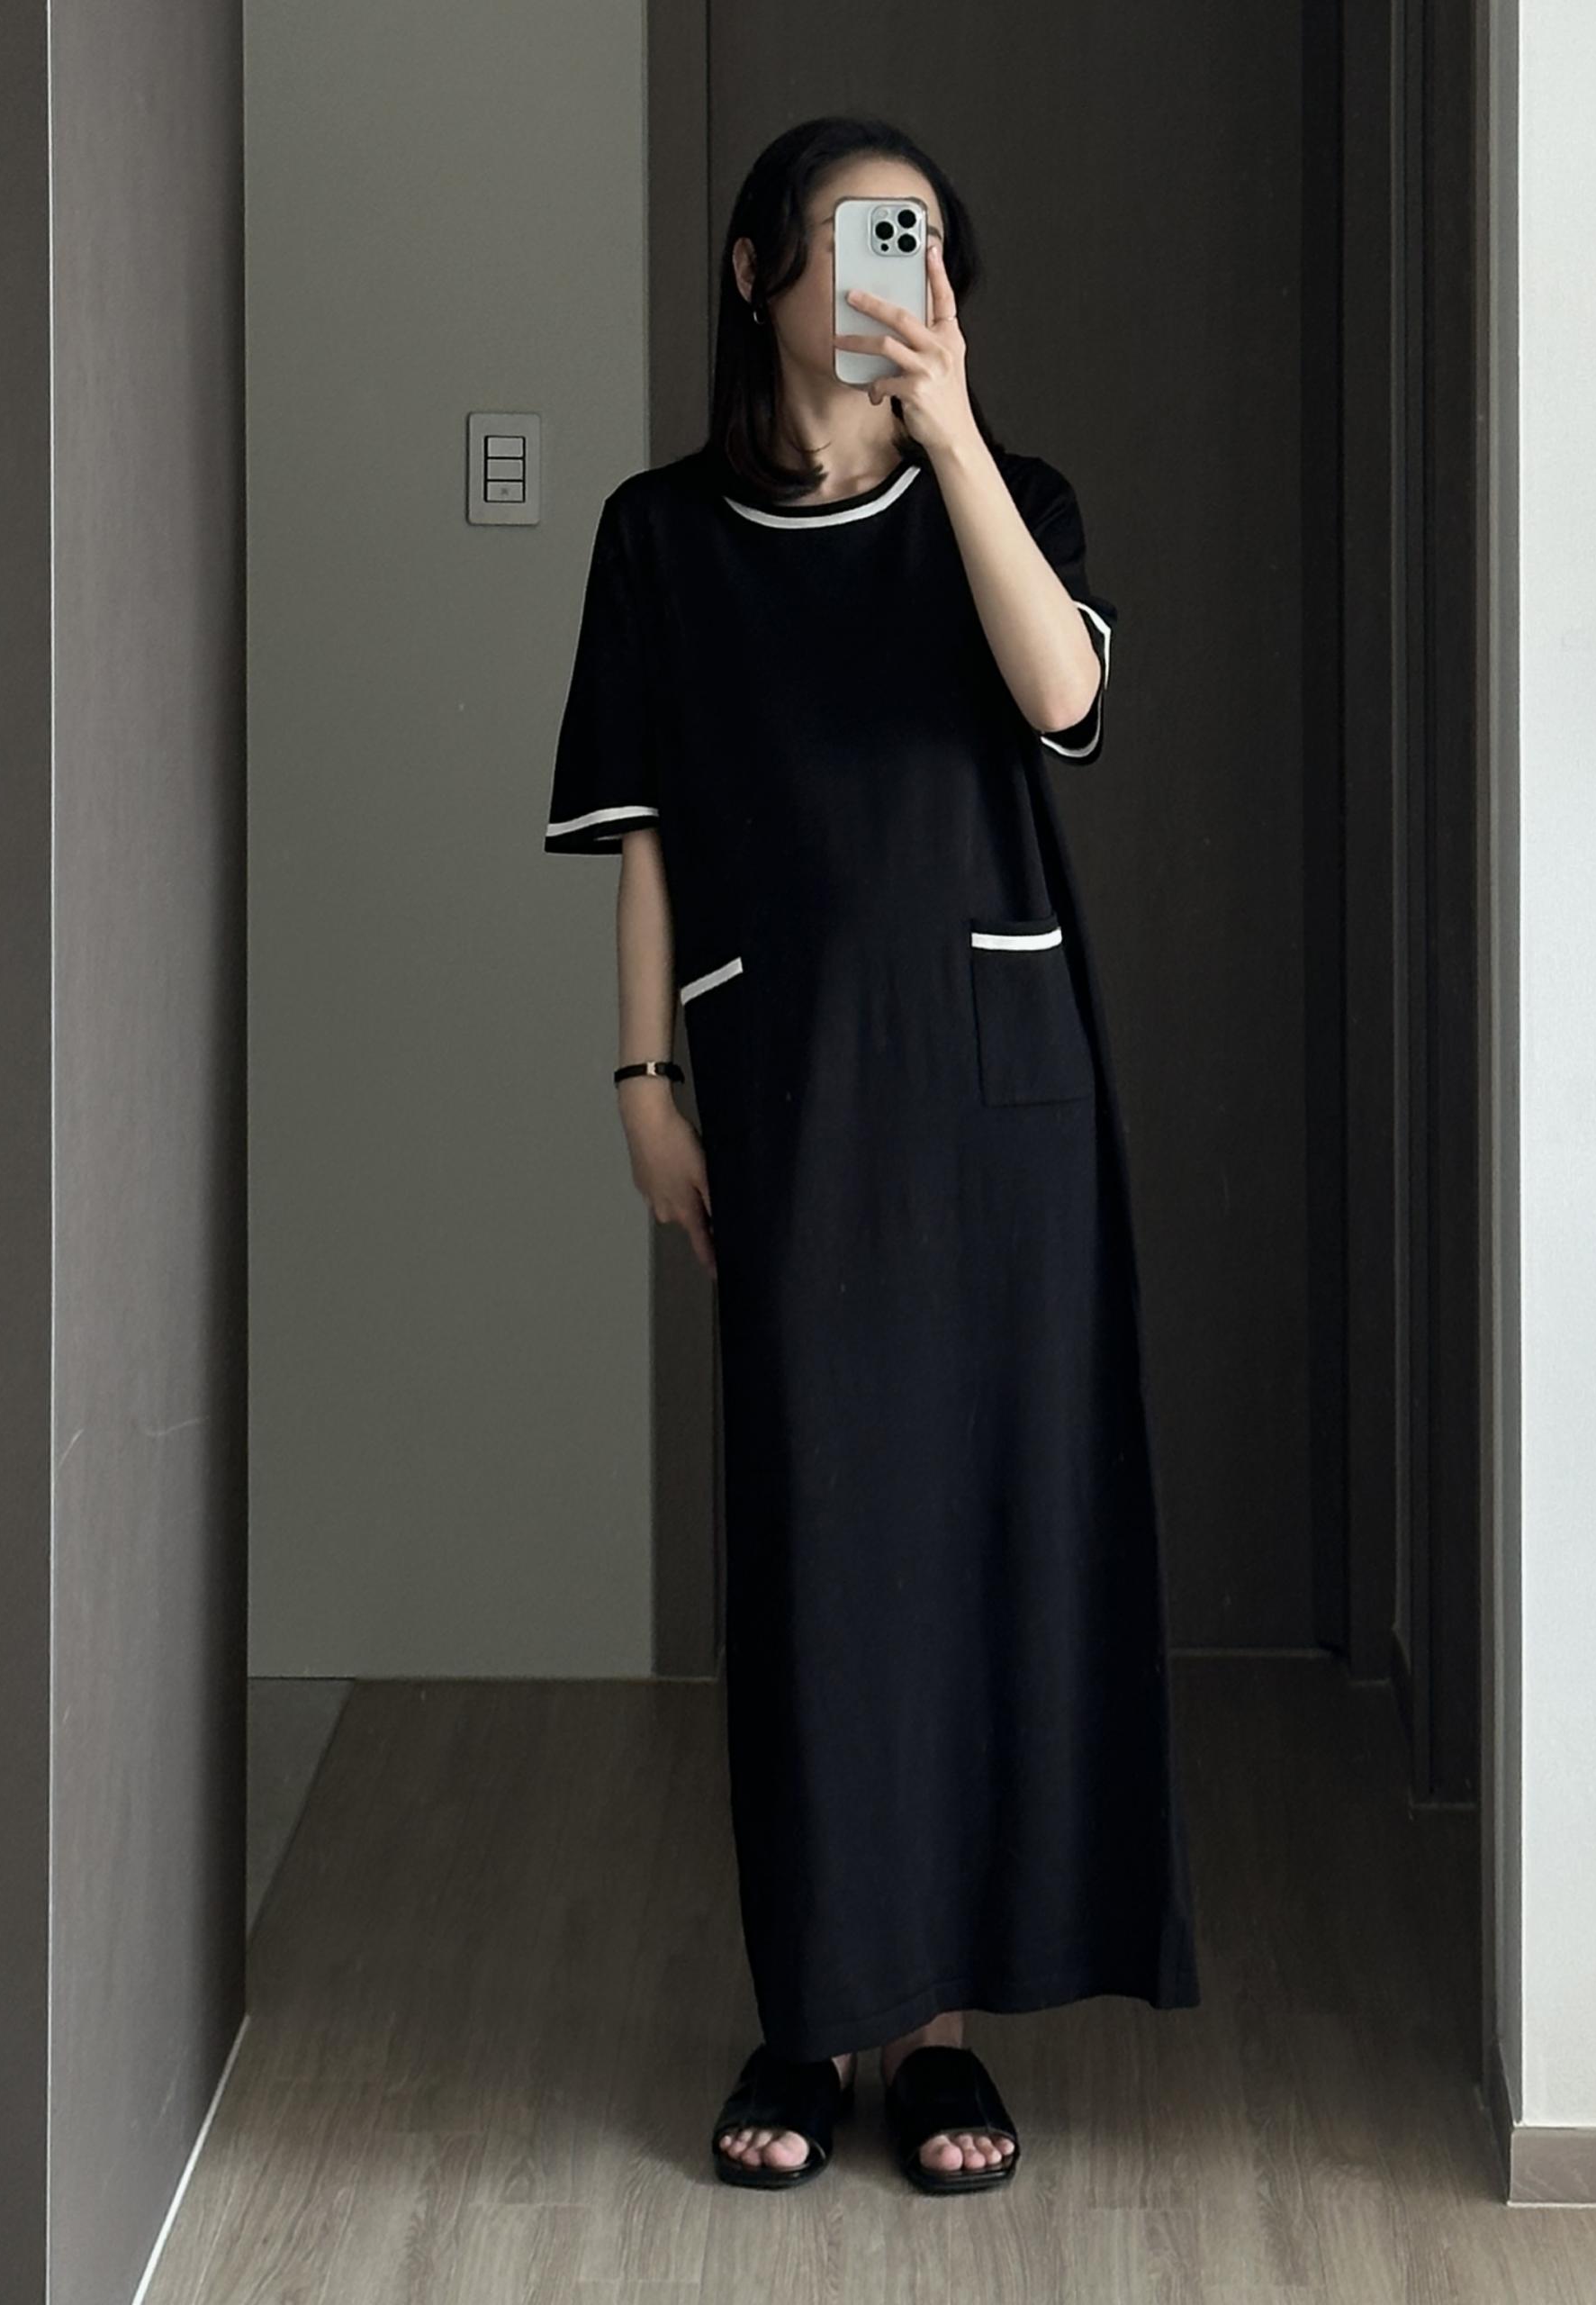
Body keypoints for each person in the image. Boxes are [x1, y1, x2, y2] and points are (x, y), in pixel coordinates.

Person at [543, 114, 1201, 2198]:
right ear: (752, 273)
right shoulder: (660, 535)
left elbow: (1065, 694)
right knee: (827, 1551)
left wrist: (957, 439)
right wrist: (642, 1081)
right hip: (795, 1094)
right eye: (846, 237)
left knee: (989, 1540)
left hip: (1004, 1101)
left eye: (913, 242)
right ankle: (816, 2003)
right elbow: (645, 831)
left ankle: (936, 2033)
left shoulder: (1014, 497)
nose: (882, 275)